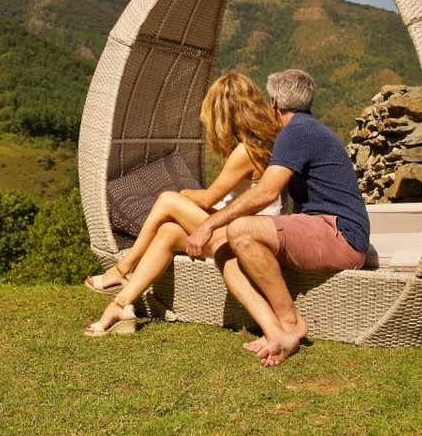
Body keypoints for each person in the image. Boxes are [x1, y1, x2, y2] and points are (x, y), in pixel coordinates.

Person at [186, 69, 370, 366]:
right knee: (223, 248)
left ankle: (290, 324)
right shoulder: (306, 129)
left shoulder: (296, 132)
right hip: (327, 230)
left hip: (340, 233)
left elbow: (266, 192)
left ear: (274, 103)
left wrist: (208, 224)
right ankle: (273, 329)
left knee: (240, 230)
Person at [84, 72, 282, 336]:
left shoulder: (244, 152)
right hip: (253, 229)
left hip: (244, 237)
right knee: (168, 232)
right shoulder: (265, 143)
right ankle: (120, 305)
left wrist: (183, 195)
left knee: (167, 200)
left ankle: (122, 269)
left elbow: (209, 198)